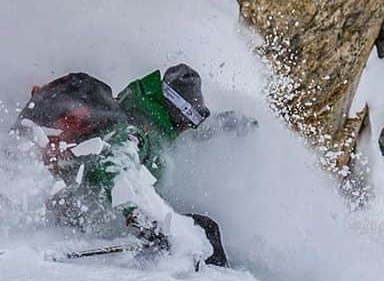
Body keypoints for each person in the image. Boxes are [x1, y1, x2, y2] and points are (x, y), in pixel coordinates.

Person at [19, 64, 230, 266]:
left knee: (204, 228)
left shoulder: (147, 120)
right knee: (207, 229)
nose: (188, 128)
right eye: (189, 119)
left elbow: (193, 137)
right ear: (177, 112)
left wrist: (226, 125)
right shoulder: (137, 131)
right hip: (79, 218)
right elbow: (116, 163)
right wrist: (144, 219)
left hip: (89, 214)